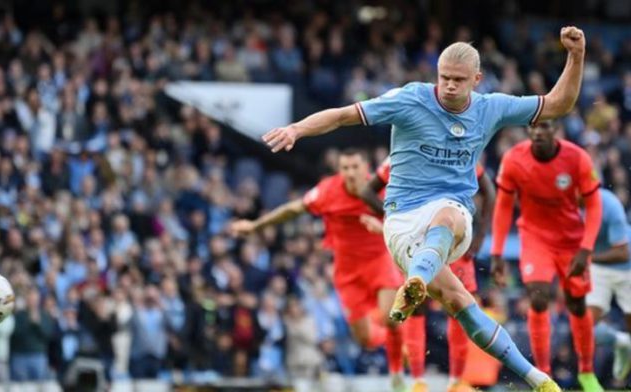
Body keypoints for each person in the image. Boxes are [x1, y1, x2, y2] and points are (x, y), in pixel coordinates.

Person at [260, 25, 589, 392]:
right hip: (402, 221)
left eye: (458, 80)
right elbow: (341, 115)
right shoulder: (409, 100)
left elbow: (559, 103)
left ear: (477, 79)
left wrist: (575, 56)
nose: (448, 85)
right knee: (459, 302)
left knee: (448, 215)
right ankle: (538, 380)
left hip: (452, 219)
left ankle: (418, 284)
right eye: (444, 77)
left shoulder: (491, 108)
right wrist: (296, 130)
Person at [230, 149, 407, 391]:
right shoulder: (328, 191)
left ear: (367, 168)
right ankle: (394, 340)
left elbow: (406, 223)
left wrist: (383, 225)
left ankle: (397, 375)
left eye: (355, 167)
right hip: (347, 270)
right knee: (365, 340)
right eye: (345, 168)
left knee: (391, 317)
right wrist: (255, 225)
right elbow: (293, 209)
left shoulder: (385, 190)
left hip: (379, 260)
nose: (350, 173)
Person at [360, 159, 494, 392]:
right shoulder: (402, 154)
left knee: (459, 307)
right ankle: (418, 381)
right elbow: (367, 191)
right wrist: (395, 219)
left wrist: (480, 235)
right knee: (416, 305)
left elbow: (488, 189)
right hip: (417, 240)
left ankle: (456, 382)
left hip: (453, 237)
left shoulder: (457, 146)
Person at [490, 120, 603, 392]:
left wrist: (586, 247)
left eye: (546, 127)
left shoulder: (577, 158)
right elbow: (504, 207)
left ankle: (586, 372)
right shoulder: (515, 159)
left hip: (571, 241)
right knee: (538, 298)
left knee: (576, 304)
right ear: (528, 131)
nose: (539, 132)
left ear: (557, 131)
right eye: (534, 128)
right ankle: (544, 376)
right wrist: (497, 252)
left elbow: (594, 204)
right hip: (534, 237)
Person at [585, 188, 631, 383]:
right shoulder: (568, 205)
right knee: (584, 328)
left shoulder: (610, 205)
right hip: (597, 267)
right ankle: (621, 342)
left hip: (627, 267)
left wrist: (587, 258)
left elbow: (623, 253)